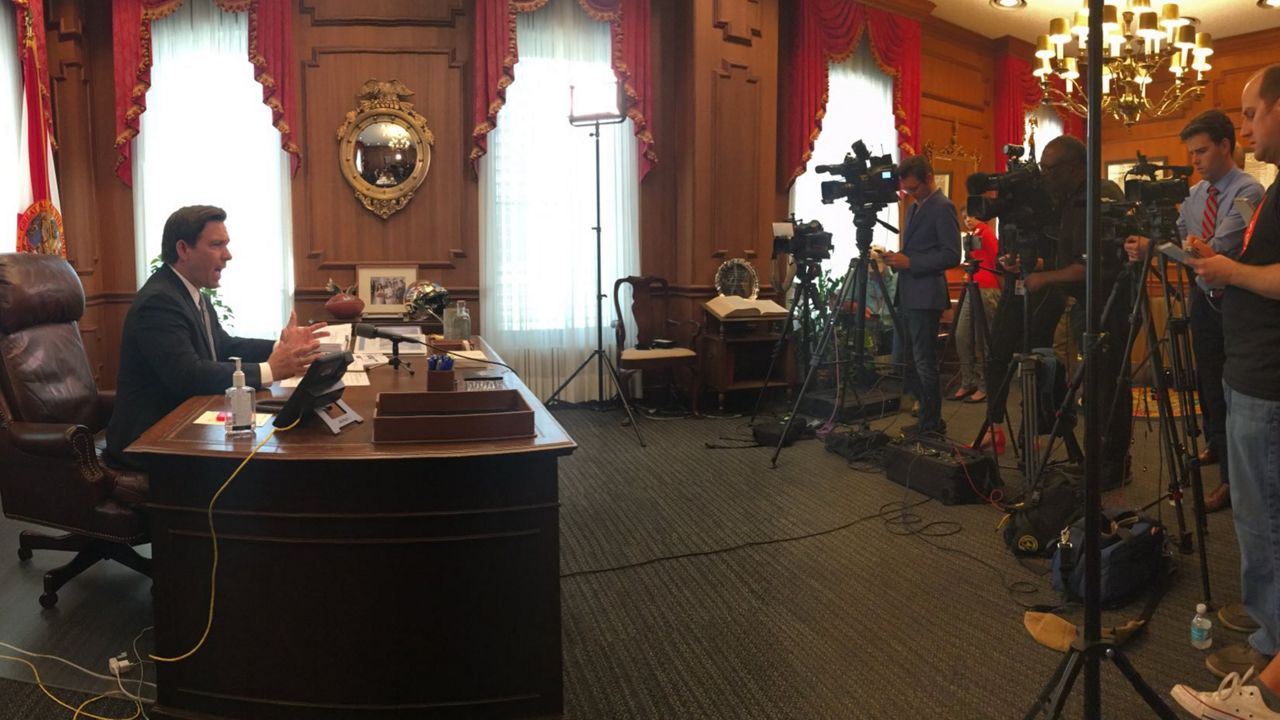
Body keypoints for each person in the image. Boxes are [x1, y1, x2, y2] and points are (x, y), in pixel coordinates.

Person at [1172, 66, 1280, 716]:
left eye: (1250, 113)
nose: (1243, 128)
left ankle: (1269, 676)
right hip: (1248, 373)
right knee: (1256, 517)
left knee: (1263, 520)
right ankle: (1269, 643)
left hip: (1266, 382)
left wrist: (1229, 270)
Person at [105, 205, 326, 467]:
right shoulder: (159, 302)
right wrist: (270, 370)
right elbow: (189, 375)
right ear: (183, 250)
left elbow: (222, 346)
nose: (228, 255)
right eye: (216, 245)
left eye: (226, 244)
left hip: (184, 428)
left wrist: (283, 346)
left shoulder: (191, 293)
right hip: (149, 443)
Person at [1124, 110, 1265, 515]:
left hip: (1237, 302)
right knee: (1206, 381)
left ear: (1225, 146)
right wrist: (1153, 243)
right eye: (1191, 153)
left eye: (1202, 151)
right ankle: (1216, 445)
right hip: (1201, 299)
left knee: (1233, 389)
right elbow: (1180, 240)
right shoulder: (1196, 195)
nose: (1196, 160)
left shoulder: (1249, 191)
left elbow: (1216, 249)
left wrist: (1164, 247)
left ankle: (1231, 482)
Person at [1022, 135, 1132, 489]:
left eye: (1049, 169)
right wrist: (1038, 266)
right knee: (1096, 388)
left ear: (1074, 167)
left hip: (1111, 307)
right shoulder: (1071, 201)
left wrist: (1044, 277)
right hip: (1091, 305)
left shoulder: (1096, 199)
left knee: (1108, 388)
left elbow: (1091, 268)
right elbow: (1071, 259)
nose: (1044, 176)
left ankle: (1111, 467)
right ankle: (1099, 461)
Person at [880, 155, 961, 436]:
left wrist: (910, 263)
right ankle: (924, 417)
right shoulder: (916, 207)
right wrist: (899, 259)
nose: (910, 194)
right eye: (907, 190)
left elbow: (952, 254)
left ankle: (931, 423)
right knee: (911, 360)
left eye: (914, 188)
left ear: (929, 178)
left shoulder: (943, 207)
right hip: (909, 291)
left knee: (925, 361)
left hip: (926, 296)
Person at [950, 209, 1000, 404]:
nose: (968, 220)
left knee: (983, 340)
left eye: (971, 216)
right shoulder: (973, 236)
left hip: (987, 288)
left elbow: (997, 259)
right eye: (964, 217)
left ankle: (984, 385)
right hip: (971, 286)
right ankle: (968, 379)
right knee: (961, 335)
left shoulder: (986, 232)